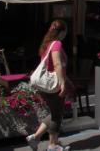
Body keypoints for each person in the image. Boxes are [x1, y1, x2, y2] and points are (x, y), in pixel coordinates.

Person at [26, 20, 72, 151]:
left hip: (45, 85)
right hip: (53, 84)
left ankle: (35, 138)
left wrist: (67, 80)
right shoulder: (57, 44)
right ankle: (52, 145)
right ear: (62, 32)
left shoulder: (47, 44)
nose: (65, 34)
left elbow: (50, 65)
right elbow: (57, 64)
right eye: (66, 31)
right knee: (57, 115)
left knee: (54, 113)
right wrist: (63, 83)